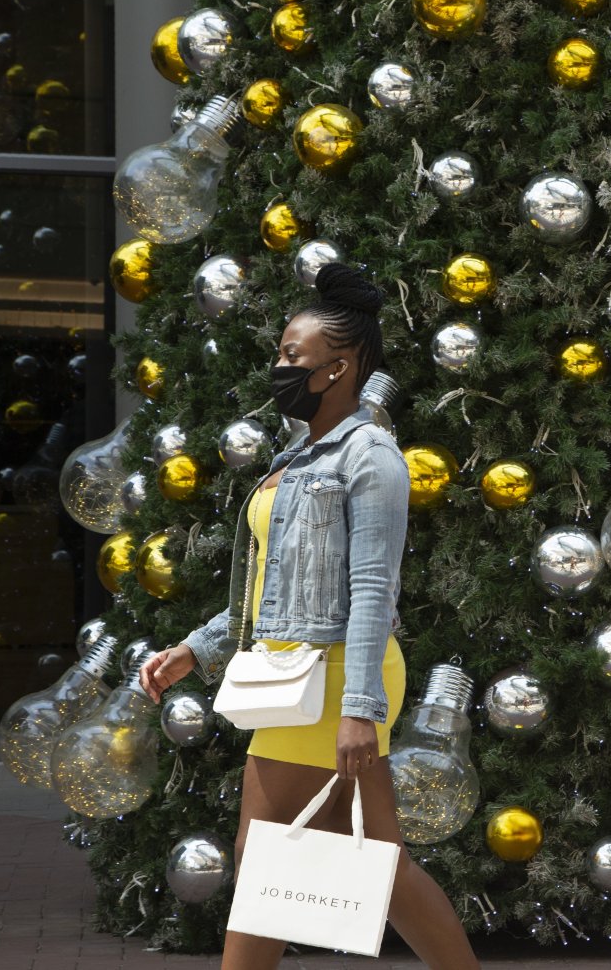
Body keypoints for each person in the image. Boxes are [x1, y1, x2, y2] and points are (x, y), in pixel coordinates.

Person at [138, 265, 480, 970]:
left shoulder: (371, 455)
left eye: (294, 355)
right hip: (290, 668)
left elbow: (370, 591)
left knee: (266, 862)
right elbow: (268, 587)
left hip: (333, 678)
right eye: (281, 353)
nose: (280, 366)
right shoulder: (292, 457)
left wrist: (360, 708)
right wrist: (196, 650)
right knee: (376, 865)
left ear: (339, 367)